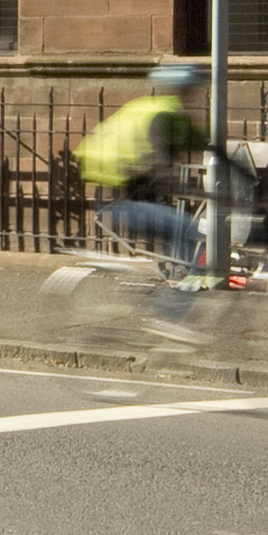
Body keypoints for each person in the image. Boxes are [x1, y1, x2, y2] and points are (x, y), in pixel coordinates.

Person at [73, 62, 216, 340]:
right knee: (187, 229)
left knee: (178, 235)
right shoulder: (161, 117)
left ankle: (163, 293)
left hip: (118, 198)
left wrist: (243, 178)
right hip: (120, 202)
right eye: (190, 91)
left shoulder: (158, 112)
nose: (192, 97)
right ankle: (169, 316)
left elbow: (212, 148)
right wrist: (203, 193)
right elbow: (161, 171)